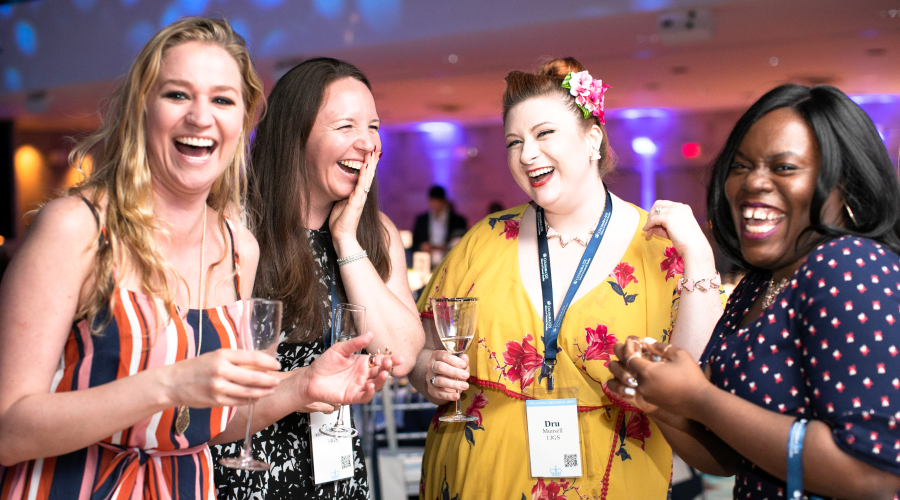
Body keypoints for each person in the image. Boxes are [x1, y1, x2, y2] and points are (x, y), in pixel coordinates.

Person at [0, 18, 394, 499]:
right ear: (141, 108)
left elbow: (222, 427)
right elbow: (7, 429)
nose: (201, 117)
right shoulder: (76, 227)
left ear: (244, 121)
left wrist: (304, 386)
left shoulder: (237, 248)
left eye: (223, 100)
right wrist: (166, 387)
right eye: (177, 95)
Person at [408, 57, 724, 499]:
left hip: (612, 481)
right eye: (514, 142)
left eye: (544, 134)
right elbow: (422, 350)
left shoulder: (658, 248)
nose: (526, 154)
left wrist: (700, 255)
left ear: (592, 136)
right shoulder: (483, 240)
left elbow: (696, 388)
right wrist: (428, 373)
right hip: (475, 477)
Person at [607, 84, 900, 499]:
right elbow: (728, 459)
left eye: (783, 168)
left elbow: (872, 474)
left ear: (844, 185)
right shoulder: (760, 284)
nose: (752, 184)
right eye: (741, 167)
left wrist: (699, 397)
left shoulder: (850, 266)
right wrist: (664, 404)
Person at [211, 57, 423, 500]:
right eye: (345, 126)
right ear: (295, 135)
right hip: (247, 469)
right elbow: (203, 392)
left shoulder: (375, 232)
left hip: (337, 471)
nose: (366, 143)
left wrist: (345, 239)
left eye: (373, 126)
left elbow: (400, 354)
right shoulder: (236, 225)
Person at [411, 185, 469, 260]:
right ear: (429, 201)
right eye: (433, 201)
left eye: (438, 201)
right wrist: (422, 246)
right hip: (426, 262)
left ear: (444, 201)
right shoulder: (421, 220)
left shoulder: (458, 221)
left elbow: (463, 245)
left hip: (449, 261)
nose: (435, 204)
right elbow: (414, 245)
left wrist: (447, 247)